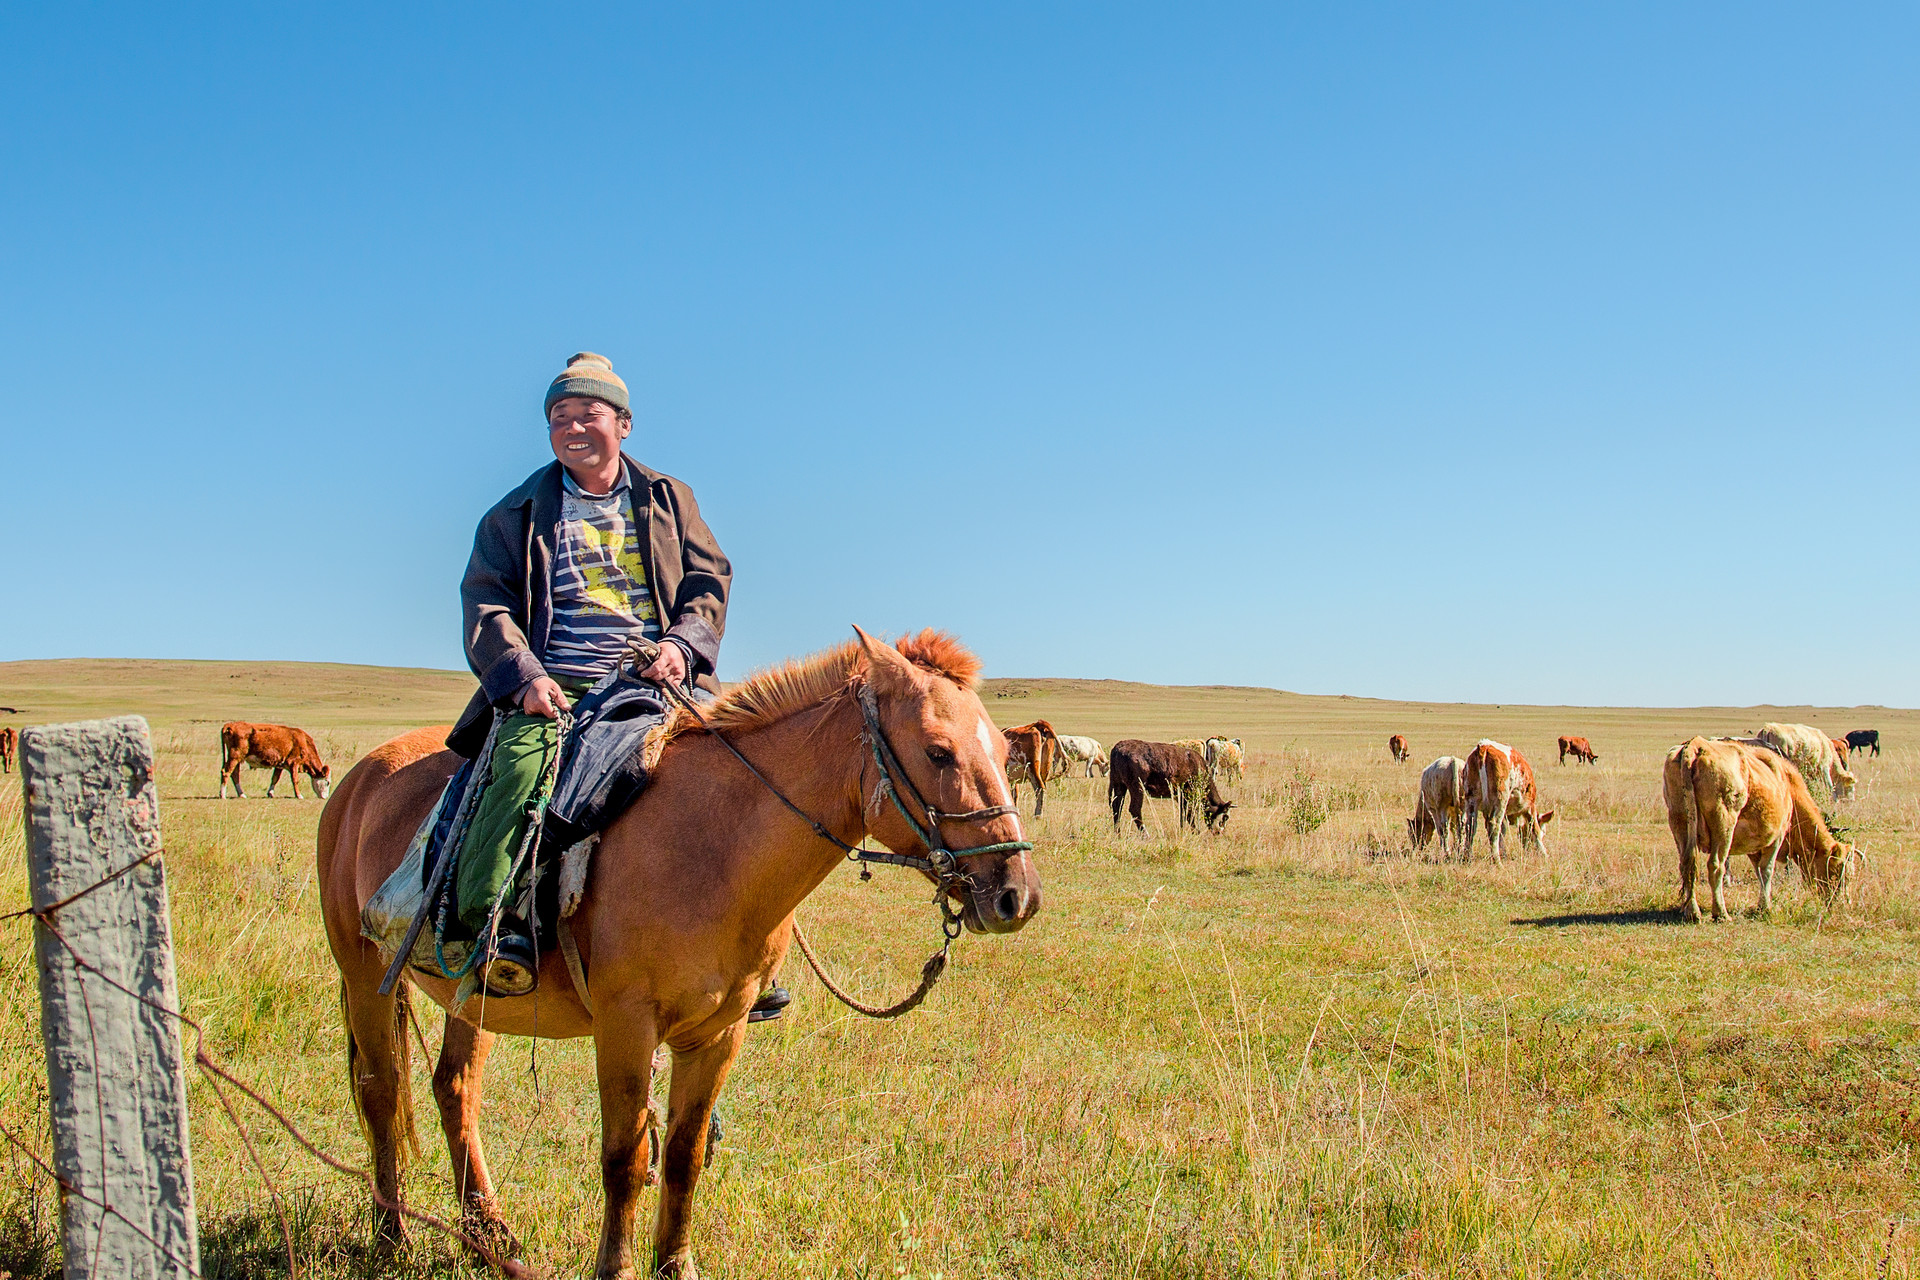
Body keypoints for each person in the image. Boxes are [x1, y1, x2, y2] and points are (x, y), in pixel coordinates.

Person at [449, 352, 753, 995]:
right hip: (556, 683)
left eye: (589, 414)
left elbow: (708, 580)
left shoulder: (671, 499)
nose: (574, 428)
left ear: (624, 424)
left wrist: (682, 645)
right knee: (523, 769)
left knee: (741, 778)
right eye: (560, 417)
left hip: (656, 682)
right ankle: (493, 923)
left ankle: (740, 949)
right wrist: (524, 674)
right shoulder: (513, 516)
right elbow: (486, 601)